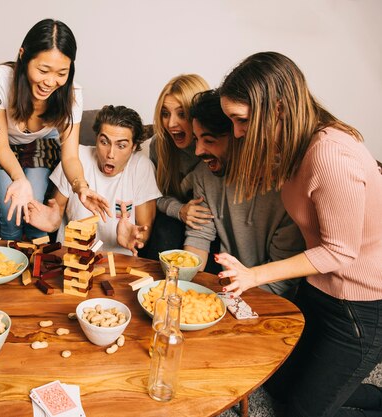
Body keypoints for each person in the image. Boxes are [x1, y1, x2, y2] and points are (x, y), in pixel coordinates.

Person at [216, 52, 382, 416]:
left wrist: (252, 275)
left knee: (298, 412)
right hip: (318, 289)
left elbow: (340, 253)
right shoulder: (295, 146)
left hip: (360, 307)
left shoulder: (330, 154)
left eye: (241, 120)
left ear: (277, 108)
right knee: (277, 383)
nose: (238, 132)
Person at [0, 18, 110, 241]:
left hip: (41, 143)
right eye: (43, 70)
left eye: (62, 73)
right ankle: (8, 264)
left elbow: (70, 157)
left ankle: (39, 266)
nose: (50, 82)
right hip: (3, 143)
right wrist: (20, 180)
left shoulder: (73, 95)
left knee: (35, 208)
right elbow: (1, 146)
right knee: (11, 208)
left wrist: (81, 187)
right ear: (23, 55)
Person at [182, 89, 304, 298]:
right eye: (196, 140)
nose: (198, 151)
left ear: (240, 137)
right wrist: (184, 289)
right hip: (226, 284)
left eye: (209, 140)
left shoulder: (286, 186)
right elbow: (198, 237)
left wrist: (227, 301)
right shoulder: (204, 173)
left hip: (270, 293)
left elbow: (282, 277)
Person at [26, 105, 161, 256]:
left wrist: (137, 237)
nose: (110, 154)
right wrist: (53, 223)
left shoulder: (142, 167)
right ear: (96, 138)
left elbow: (144, 229)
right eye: (104, 142)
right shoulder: (75, 158)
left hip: (118, 262)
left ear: (134, 146)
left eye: (121, 145)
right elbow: (56, 211)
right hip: (72, 259)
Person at [139, 74, 213, 261]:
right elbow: (153, 196)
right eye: (165, 114)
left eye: (181, 114)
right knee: (165, 229)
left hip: (207, 224)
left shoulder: (215, 150)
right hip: (173, 217)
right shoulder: (160, 145)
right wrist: (180, 210)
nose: (171, 124)